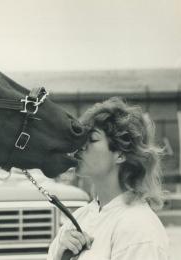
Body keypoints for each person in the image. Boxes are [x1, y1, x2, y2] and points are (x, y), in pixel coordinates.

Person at [47, 97, 169, 260]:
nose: (81, 146)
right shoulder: (79, 218)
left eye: (93, 139)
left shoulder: (138, 229)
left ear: (120, 154)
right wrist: (59, 256)